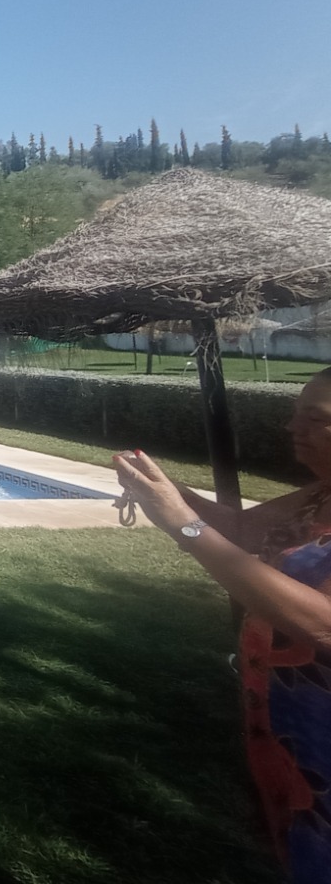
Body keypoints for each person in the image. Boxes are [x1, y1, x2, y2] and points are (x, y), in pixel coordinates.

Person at [111, 368, 331, 882]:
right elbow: (241, 530)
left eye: (314, 418)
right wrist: (165, 491)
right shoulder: (321, 494)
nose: (291, 427)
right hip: (291, 715)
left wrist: (183, 525)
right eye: (296, 412)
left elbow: (324, 625)